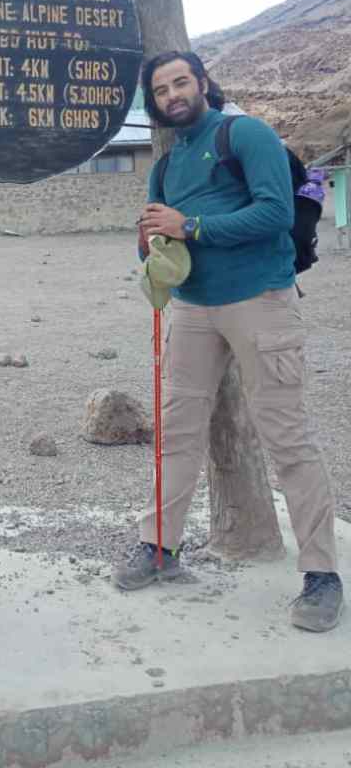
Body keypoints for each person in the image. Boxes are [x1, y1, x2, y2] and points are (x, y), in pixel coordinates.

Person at [112, 50, 343, 632]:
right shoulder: (166, 165)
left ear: (203, 83)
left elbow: (274, 212)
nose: (172, 95)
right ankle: (160, 547)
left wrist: (189, 227)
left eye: (180, 82)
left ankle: (321, 575)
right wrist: (151, 249)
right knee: (175, 429)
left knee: (287, 436)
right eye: (161, 90)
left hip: (260, 300)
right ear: (155, 102)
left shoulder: (247, 134)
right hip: (192, 307)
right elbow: (158, 231)